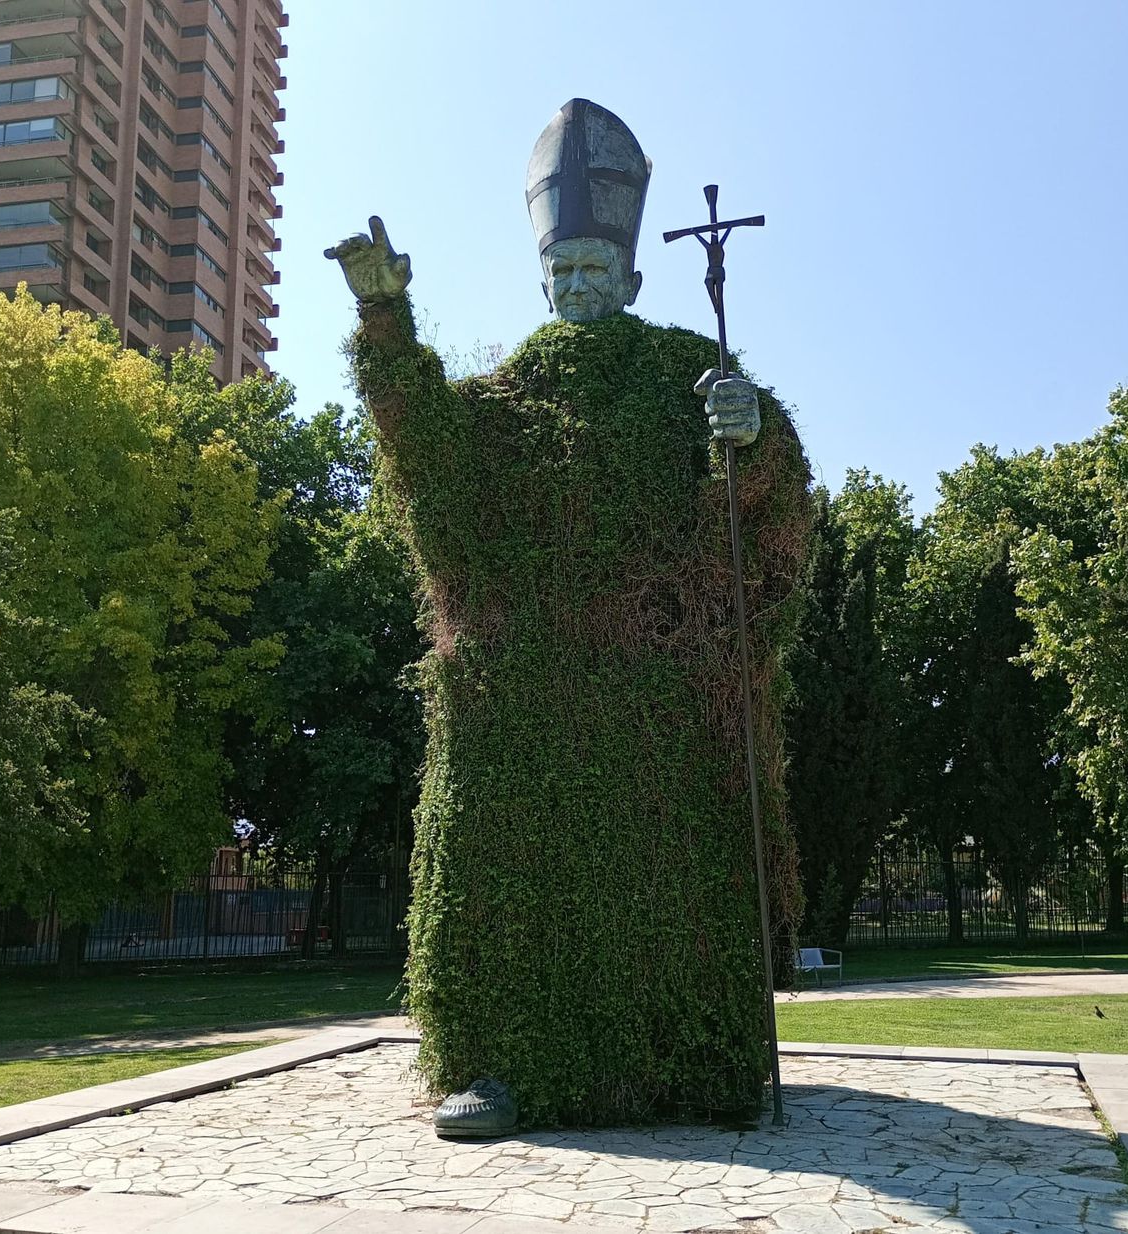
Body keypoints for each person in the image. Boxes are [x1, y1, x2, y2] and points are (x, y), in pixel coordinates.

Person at [328, 99, 809, 1127]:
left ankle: (698, 1062)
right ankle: (497, 1064)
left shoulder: (685, 373)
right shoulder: (507, 400)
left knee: (675, 871)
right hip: (522, 691)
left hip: (658, 692)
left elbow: (760, 507)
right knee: (499, 863)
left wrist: (751, 432)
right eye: (564, 271)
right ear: (542, 279)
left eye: (597, 269)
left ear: (631, 278)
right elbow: (434, 467)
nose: (581, 285)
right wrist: (387, 325)